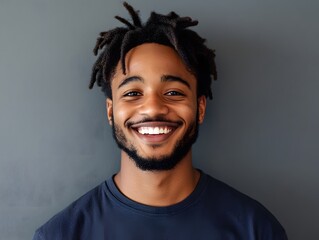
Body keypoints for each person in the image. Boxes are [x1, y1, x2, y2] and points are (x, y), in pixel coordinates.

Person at [33, 2, 288, 239]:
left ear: (200, 108)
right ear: (111, 111)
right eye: (133, 93)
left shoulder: (255, 229)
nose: (153, 107)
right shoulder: (60, 234)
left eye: (173, 93)